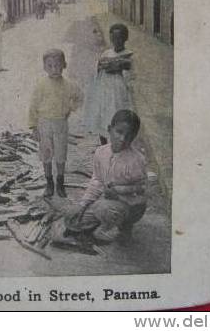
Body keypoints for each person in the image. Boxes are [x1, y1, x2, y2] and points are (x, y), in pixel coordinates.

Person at [62, 109, 147, 245]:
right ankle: (102, 223)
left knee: (104, 209)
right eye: (119, 132)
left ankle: (123, 228)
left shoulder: (136, 160)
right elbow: (97, 181)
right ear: (109, 129)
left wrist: (119, 192)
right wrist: (82, 205)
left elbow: (140, 191)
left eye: (129, 135)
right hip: (107, 203)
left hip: (129, 206)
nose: (123, 139)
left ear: (134, 136)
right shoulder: (101, 153)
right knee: (71, 219)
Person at [28, 49, 83, 198]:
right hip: (44, 124)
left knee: (60, 154)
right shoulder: (41, 85)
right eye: (50, 66)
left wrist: (70, 109)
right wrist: (33, 127)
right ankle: (49, 183)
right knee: (46, 154)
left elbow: (79, 97)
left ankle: (60, 182)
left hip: (61, 124)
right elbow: (33, 107)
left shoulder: (69, 85)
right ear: (45, 67)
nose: (54, 69)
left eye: (57, 65)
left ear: (64, 65)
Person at [84, 23, 134, 144]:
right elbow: (98, 67)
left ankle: (117, 143)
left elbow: (130, 73)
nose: (116, 41)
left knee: (116, 115)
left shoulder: (129, 54)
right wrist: (100, 65)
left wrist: (118, 67)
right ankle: (103, 145)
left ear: (125, 38)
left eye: (119, 38)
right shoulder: (107, 53)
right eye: (113, 38)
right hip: (105, 91)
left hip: (118, 91)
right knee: (103, 116)